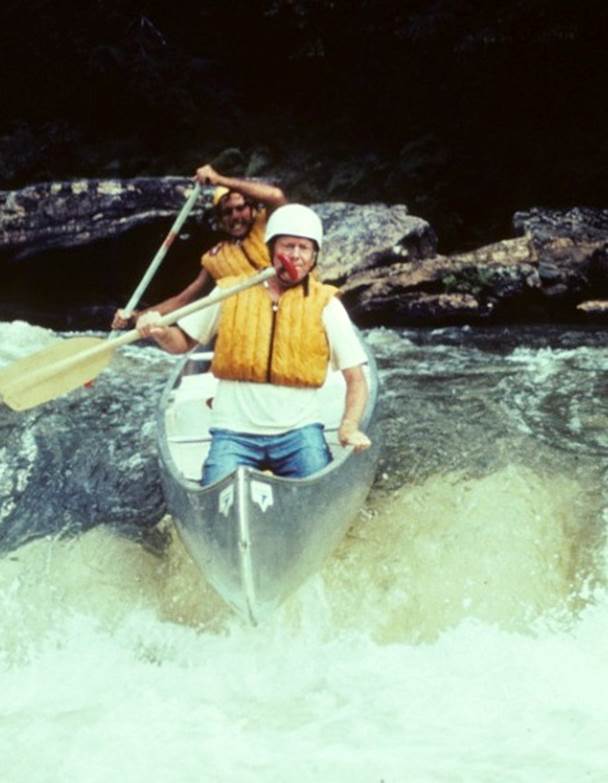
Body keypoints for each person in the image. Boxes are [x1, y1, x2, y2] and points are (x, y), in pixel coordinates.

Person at [137, 203, 372, 485]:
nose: (295, 256)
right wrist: (160, 331)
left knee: (320, 483)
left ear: (313, 257)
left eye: (304, 248)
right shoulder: (230, 290)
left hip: (299, 433)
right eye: (288, 246)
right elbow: (181, 343)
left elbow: (356, 379)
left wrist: (348, 426)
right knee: (213, 488)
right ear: (272, 249)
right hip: (233, 433)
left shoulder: (326, 304)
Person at [111, 164, 287, 329]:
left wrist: (219, 180)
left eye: (240, 208)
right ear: (220, 221)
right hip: (252, 324)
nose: (235, 216)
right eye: (227, 212)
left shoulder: (270, 224)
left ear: (253, 209)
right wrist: (136, 317)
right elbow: (182, 301)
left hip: (290, 310)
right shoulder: (215, 257)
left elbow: (276, 196)